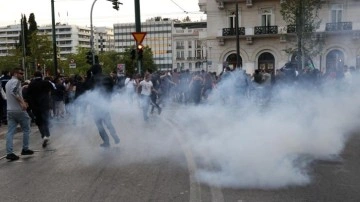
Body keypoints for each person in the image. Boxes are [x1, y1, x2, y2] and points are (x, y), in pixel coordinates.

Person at [87, 62, 120, 147]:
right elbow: (114, 89)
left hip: (96, 105)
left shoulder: (92, 79)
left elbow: (89, 91)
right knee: (108, 122)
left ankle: (106, 142)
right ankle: (115, 136)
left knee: (99, 125)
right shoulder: (108, 77)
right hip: (105, 103)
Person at [5, 68, 33, 161]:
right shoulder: (16, 82)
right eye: (21, 73)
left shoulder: (7, 83)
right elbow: (14, 92)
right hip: (19, 110)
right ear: (15, 74)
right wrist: (22, 103)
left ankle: (9, 152)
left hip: (10, 110)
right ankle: (25, 148)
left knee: (10, 132)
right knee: (26, 129)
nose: (22, 75)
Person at [27, 71, 55, 148]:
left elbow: (27, 95)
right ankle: (47, 134)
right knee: (46, 120)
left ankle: (43, 135)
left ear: (34, 76)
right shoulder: (46, 82)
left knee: (39, 122)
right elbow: (53, 90)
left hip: (35, 106)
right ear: (41, 75)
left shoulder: (31, 84)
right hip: (45, 105)